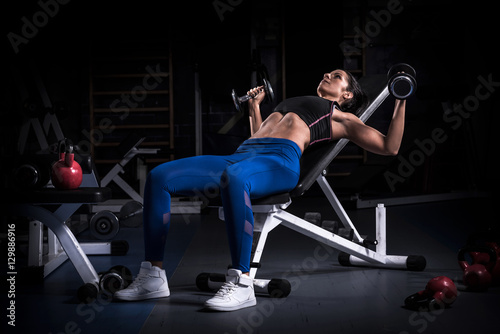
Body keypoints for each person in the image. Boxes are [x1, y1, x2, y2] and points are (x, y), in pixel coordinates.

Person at [114, 69, 407, 311]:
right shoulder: (293, 102)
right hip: (243, 156)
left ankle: (242, 283)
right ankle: (153, 276)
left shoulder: (340, 117)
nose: (327, 73)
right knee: (159, 176)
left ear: (347, 95)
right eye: (329, 71)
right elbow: (257, 135)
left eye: (337, 75)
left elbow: (389, 147)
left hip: (279, 161)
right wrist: (254, 107)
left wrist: (400, 99)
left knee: (236, 177)